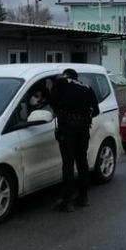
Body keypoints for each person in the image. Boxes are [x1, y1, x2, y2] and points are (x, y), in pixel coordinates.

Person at [49, 68, 100, 212]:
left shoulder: (61, 82)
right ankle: (83, 197)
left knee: (68, 164)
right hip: (83, 129)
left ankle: (67, 201)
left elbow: (52, 101)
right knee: (82, 162)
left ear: (65, 75)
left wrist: (63, 111)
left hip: (68, 129)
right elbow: (95, 111)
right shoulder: (87, 87)